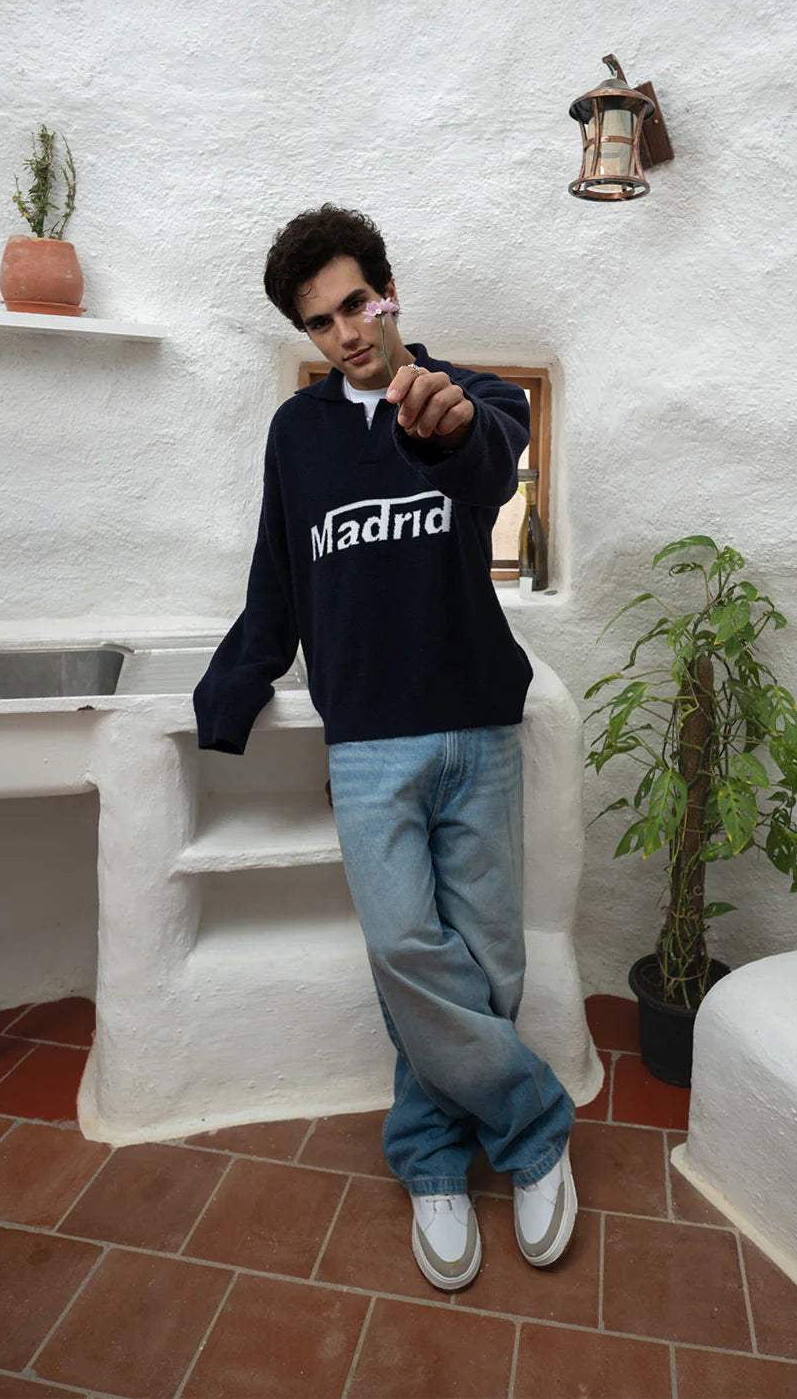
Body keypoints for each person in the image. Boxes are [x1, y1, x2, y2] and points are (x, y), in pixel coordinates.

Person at [193, 204, 576, 1291]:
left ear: (389, 292)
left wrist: (442, 431)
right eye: (321, 322)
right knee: (408, 949)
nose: (347, 332)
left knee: (488, 961)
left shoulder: (474, 398)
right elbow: (278, 574)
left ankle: (430, 1154)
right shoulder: (297, 434)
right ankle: (533, 1130)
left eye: (357, 304)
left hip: (479, 724)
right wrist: (232, 691)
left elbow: (483, 466)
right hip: (366, 741)